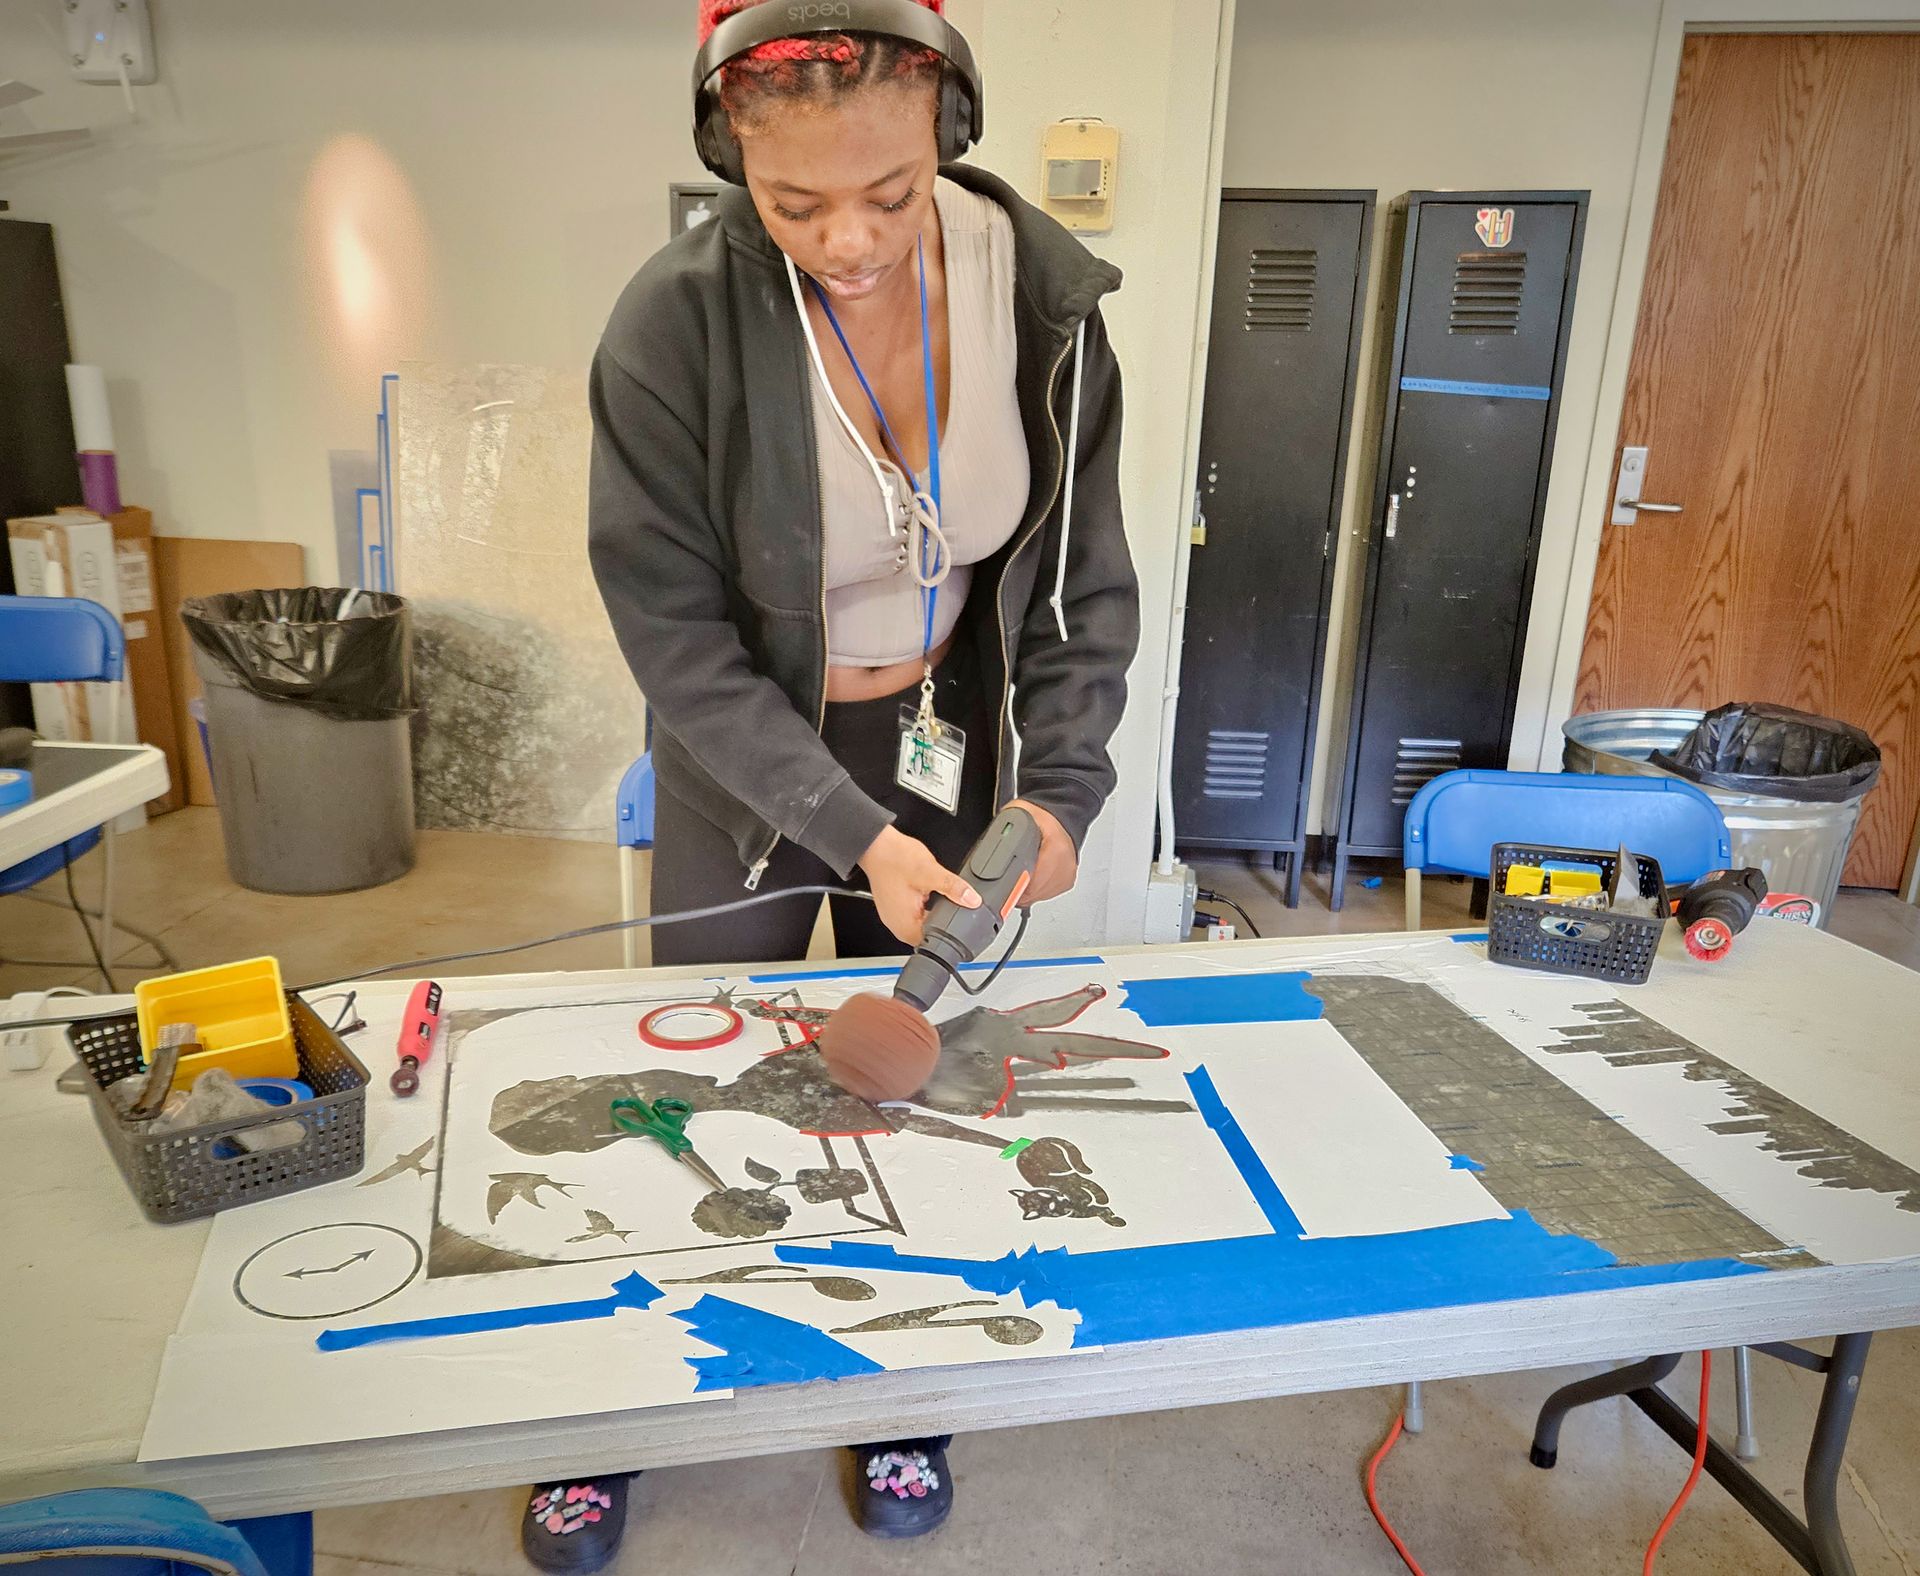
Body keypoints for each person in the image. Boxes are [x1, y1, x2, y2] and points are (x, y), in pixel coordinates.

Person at [523, 0, 1139, 1563]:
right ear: (730, 154)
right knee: (683, 1090)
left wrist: (1058, 786)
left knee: (909, 1080)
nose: (850, 240)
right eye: (795, 206)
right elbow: (672, 638)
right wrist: (849, 830)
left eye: (893, 192)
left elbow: (1077, 585)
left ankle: (903, 1390)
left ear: (953, 132)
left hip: (944, 749)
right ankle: (615, 1413)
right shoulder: (671, 324)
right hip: (749, 766)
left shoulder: (1047, 305)